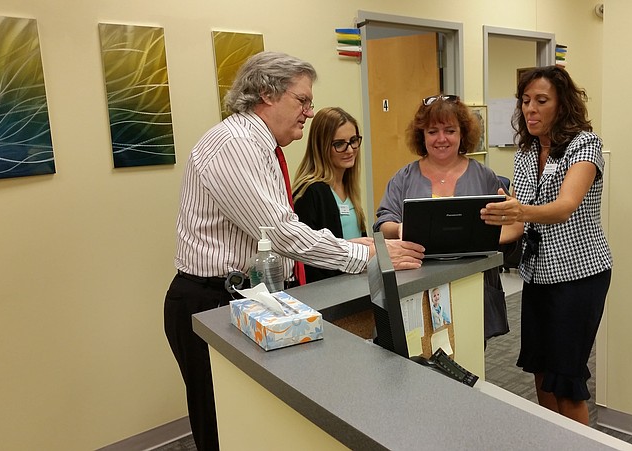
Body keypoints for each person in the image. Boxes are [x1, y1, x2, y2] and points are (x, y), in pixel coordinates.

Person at [163, 51, 424, 451]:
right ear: (267, 94)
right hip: (211, 301)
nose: (308, 111)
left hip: (246, 298)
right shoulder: (235, 145)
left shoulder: (260, 145)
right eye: (302, 101)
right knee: (221, 427)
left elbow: (277, 232)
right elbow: (281, 234)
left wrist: (355, 244)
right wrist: (366, 256)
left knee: (253, 421)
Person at [480, 65, 612, 425]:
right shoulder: (526, 153)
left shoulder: (585, 145)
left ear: (562, 104)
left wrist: (517, 209)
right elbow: (517, 224)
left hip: (578, 276)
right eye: (525, 101)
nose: (530, 109)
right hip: (538, 277)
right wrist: (475, 242)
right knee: (540, 372)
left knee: (565, 380)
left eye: (541, 101)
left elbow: (566, 206)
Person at [374, 94, 516, 341]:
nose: (441, 139)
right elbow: (382, 223)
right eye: (432, 131)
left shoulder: (484, 177)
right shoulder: (403, 178)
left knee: (469, 352)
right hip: (418, 285)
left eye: (450, 130)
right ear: (422, 136)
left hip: (472, 284)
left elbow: (514, 223)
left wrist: (488, 238)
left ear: (463, 134)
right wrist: (398, 228)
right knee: (421, 349)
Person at [292, 107, 366, 283]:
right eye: (339, 144)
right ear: (321, 146)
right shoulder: (309, 192)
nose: (350, 150)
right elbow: (308, 259)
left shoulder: (348, 186)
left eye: (353, 141)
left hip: (356, 286)